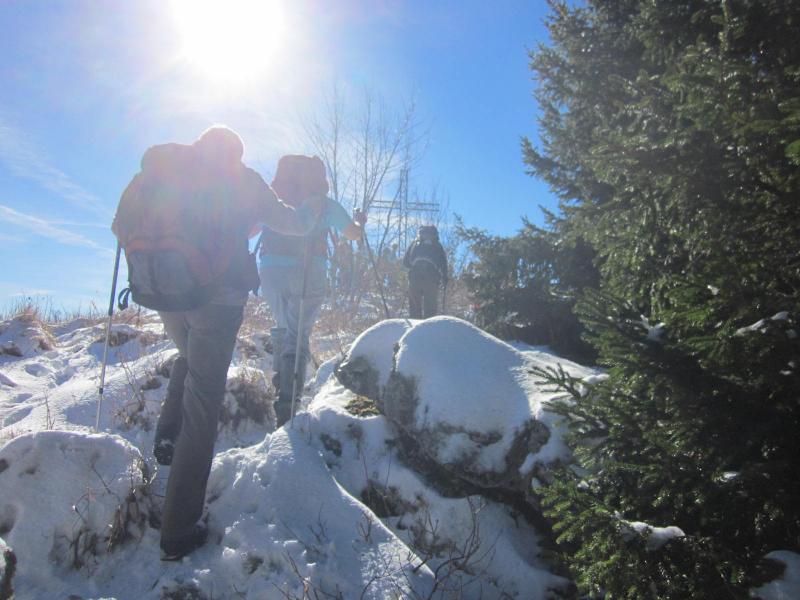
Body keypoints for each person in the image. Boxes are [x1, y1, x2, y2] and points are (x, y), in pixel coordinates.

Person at [112, 126, 315, 561]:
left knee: (189, 358)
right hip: (217, 299)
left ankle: (168, 437)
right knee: (203, 403)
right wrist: (309, 213)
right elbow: (292, 224)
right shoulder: (244, 178)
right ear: (236, 152)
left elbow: (118, 226)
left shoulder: (162, 169)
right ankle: (178, 531)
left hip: (165, 291)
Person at [259, 155, 365, 426]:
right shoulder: (324, 204)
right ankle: (287, 405)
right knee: (298, 335)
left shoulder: (272, 198)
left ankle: (281, 386)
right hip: (307, 269)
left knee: (283, 326)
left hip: (270, 269)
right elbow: (353, 234)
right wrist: (360, 223)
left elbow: (250, 228)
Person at [403, 225, 448, 319]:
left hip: (415, 276)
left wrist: (413, 268)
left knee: (414, 306)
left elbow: (405, 262)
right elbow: (443, 263)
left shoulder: (415, 243)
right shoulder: (437, 245)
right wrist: (444, 278)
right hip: (432, 277)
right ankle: (429, 325)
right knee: (430, 307)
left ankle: (415, 324)